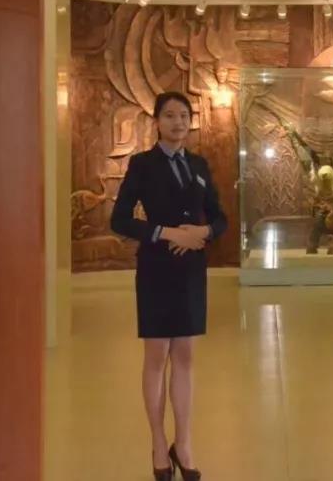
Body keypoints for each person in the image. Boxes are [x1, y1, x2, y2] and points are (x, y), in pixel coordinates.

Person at [111, 91, 227, 481]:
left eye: (184, 116)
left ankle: (185, 443)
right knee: (156, 356)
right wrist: (165, 232)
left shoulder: (198, 164)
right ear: (157, 121)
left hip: (191, 269)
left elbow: (220, 217)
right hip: (157, 268)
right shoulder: (142, 164)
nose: (178, 122)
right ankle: (159, 444)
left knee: (186, 357)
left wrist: (203, 233)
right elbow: (120, 219)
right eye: (170, 115)